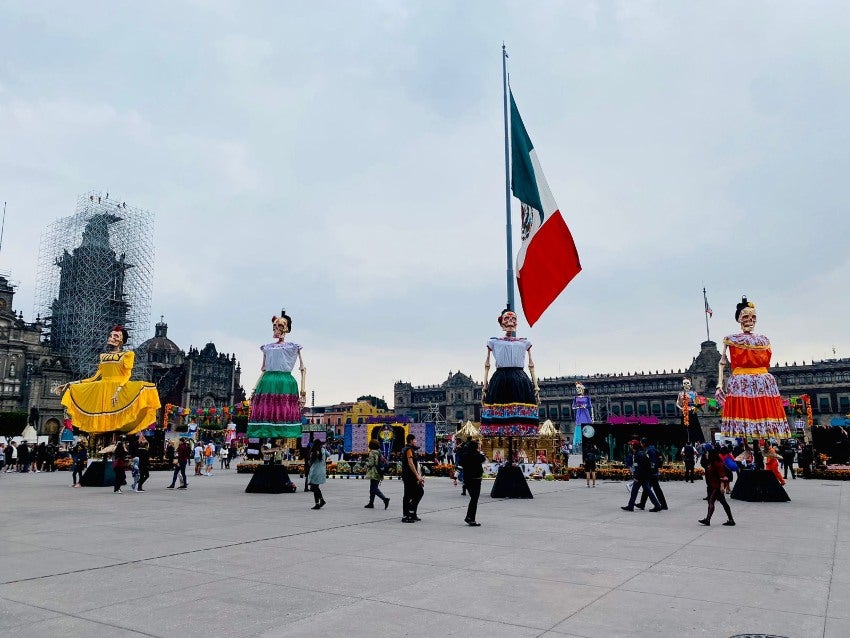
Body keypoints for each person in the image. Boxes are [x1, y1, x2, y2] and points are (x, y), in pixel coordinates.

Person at [58, 326, 160, 435]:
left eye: (116, 336)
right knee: (102, 420)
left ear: (122, 340)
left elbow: (127, 375)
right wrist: (70, 383)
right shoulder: (103, 356)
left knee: (146, 389)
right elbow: (94, 377)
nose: (112, 338)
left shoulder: (127, 355)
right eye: (111, 335)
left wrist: (118, 390)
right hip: (103, 388)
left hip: (118, 387)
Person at [716, 297, 791, 440]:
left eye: (753, 317)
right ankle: (746, 445)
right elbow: (722, 361)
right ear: (739, 319)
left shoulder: (764, 339)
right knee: (744, 412)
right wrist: (719, 384)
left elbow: (767, 361)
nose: (750, 320)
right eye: (745, 316)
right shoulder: (731, 339)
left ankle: (768, 445)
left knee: (764, 411)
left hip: (760, 378)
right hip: (744, 379)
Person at [247, 312, 306, 440]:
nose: (276, 328)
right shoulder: (267, 347)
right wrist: (254, 389)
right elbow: (263, 369)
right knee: (267, 410)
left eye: (279, 325)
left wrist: (303, 393)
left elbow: (302, 368)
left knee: (284, 409)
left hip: (285, 381)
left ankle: (281, 437)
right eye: (274, 325)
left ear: (286, 328)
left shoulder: (293, 347)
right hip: (267, 380)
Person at [699, 448, 735, 526]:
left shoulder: (717, 464)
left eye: (708, 453)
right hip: (713, 486)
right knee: (723, 503)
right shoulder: (711, 463)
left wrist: (722, 487)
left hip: (717, 487)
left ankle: (708, 520)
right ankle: (731, 520)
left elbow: (722, 476)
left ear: (712, 455)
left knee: (711, 501)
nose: (706, 454)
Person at [622, 442, 662, 512]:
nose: (630, 446)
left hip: (641, 476)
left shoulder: (638, 455)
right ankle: (657, 505)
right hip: (644, 475)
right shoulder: (641, 453)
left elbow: (639, 467)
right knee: (646, 491)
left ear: (634, 446)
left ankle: (631, 506)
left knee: (637, 491)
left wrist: (636, 477)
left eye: (631, 445)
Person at [637, 438, 668, 510]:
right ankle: (642, 503)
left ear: (644, 444)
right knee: (648, 488)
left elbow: (652, 463)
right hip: (653, 472)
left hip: (652, 473)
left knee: (654, 489)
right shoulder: (652, 449)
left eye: (641, 443)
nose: (641, 444)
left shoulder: (650, 451)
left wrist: (650, 471)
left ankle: (662, 505)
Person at [460, 440, 485, 526]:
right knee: (474, 499)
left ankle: (470, 517)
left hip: (467, 480)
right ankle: (470, 518)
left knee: (473, 499)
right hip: (476, 480)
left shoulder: (465, 455)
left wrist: (455, 477)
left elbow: (460, 465)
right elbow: (483, 458)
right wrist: (479, 451)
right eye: (478, 446)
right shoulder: (477, 456)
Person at [401, 433, 424, 523]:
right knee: (407, 495)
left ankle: (412, 512)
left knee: (419, 492)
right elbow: (411, 463)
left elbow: (415, 464)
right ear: (411, 441)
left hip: (412, 476)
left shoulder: (411, 449)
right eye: (415, 440)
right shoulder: (408, 450)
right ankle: (405, 515)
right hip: (409, 476)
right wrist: (418, 476)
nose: (416, 441)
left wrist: (419, 476)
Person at [676, 377, 706, 443]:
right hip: (684, 412)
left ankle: (696, 442)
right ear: (682, 385)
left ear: (690, 385)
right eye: (684, 383)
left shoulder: (694, 393)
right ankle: (685, 442)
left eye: (687, 383)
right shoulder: (680, 394)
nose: (686, 384)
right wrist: (682, 408)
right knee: (684, 429)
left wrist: (693, 408)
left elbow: (698, 403)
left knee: (695, 428)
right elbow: (677, 404)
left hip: (692, 412)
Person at [364, 439, 390, 509]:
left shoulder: (372, 452)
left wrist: (366, 463)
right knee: (372, 488)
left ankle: (385, 499)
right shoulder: (379, 452)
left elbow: (371, 463)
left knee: (374, 488)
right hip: (379, 472)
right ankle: (371, 503)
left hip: (374, 472)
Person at [307, 439, 329, 509]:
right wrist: (324, 449)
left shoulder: (313, 452)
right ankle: (321, 501)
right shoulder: (323, 450)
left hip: (315, 471)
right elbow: (329, 454)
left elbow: (310, 462)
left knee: (314, 488)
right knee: (316, 487)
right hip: (321, 471)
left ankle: (318, 502)